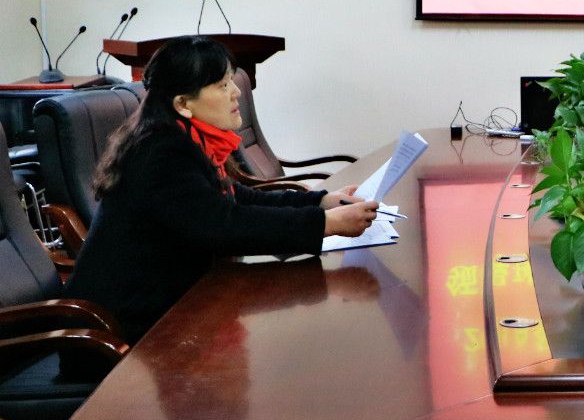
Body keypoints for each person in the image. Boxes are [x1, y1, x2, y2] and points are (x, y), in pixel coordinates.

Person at [66, 36, 376, 343]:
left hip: (167, 309)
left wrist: (321, 202)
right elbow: (223, 225)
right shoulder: (161, 154)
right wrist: (327, 224)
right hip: (120, 335)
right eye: (222, 85)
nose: (236, 91)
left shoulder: (181, 140)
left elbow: (236, 197)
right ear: (183, 104)